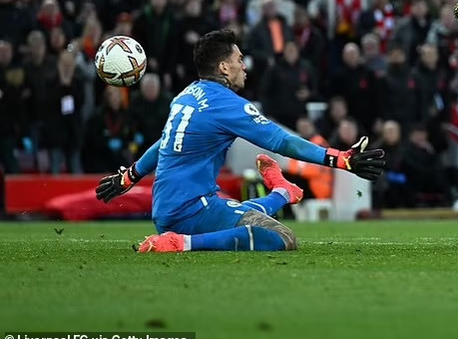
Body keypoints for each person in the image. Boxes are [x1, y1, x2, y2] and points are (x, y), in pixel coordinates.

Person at [95, 30, 385, 253]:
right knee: (282, 237)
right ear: (223, 67)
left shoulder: (185, 95)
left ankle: (283, 192)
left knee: (238, 210)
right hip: (192, 211)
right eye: (239, 60)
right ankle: (181, 244)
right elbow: (281, 141)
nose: (244, 67)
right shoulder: (227, 105)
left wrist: (129, 176)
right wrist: (341, 159)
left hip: (168, 207)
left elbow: (164, 142)